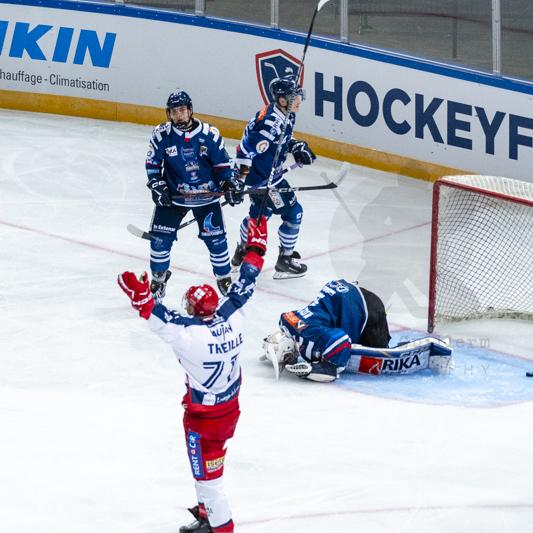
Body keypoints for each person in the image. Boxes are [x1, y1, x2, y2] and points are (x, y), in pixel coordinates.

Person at [118, 216, 268, 533]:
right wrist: (255, 247)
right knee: (207, 471)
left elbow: (156, 316)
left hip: (204, 420)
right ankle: (205, 516)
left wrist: (142, 298)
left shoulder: (188, 335)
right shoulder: (235, 315)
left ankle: (219, 526)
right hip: (230, 408)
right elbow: (247, 279)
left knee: (209, 479)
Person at [145, 90, 245, 301]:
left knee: (216, 240)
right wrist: (157, 185)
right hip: (174, 197)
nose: (179, 115)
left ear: (190, 110)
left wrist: (228, 183)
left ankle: (224, 279)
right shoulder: (161, 134)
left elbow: (223, 165)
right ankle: (158, 280)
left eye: (182, 110)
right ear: (168, 114)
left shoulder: (209, 134)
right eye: (174, 112)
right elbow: (153, 164)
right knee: (160, 240)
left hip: (206, 197)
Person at [261, 279, 452, 382]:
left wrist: (319, 369)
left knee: (384, 354)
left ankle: (437, 347)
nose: (288, 361)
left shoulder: (308, 336)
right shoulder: (286, 320)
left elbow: (341, 344)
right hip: (348, 293)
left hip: (368, 310)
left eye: (286, 358)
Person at [231, 75, 317, 279]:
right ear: (281, 100)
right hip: (265, 180)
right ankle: (285, 260)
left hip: (264, 176)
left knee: (261, 214)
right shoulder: (269, 123)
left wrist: (295, 145)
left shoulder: (284, 114)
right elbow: (244, 151)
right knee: (294, 212)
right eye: (294, 97)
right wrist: (237, 181)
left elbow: (282, 138)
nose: (299, 101)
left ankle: (242, 251)